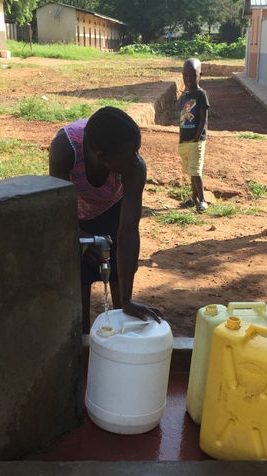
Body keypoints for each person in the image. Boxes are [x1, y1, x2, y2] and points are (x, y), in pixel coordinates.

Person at [48, 106, 164, 333]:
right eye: (130, 154)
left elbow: (129, 231)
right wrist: (78, 237)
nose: (136, 159)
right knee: (78, 284)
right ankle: (81, 350)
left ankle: (124, 326)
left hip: (112, 207)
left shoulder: (134, 168)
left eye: (137, 150)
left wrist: (128, 300)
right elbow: (57, 212)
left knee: (119, 281)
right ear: (103, 157)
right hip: (73, 213)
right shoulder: (64, 150)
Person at [178, 58, 210, 213]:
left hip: (196, 140)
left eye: (193, 75)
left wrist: (197, 138)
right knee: (191, 170)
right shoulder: (185, 95)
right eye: (185, 75)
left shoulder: (201, 94)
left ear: (200, 75)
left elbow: (203, 118)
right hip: (186, 140)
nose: (188, 79)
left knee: (196, 171)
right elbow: (184, 118)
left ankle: (202, 200)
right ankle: (194, 198)